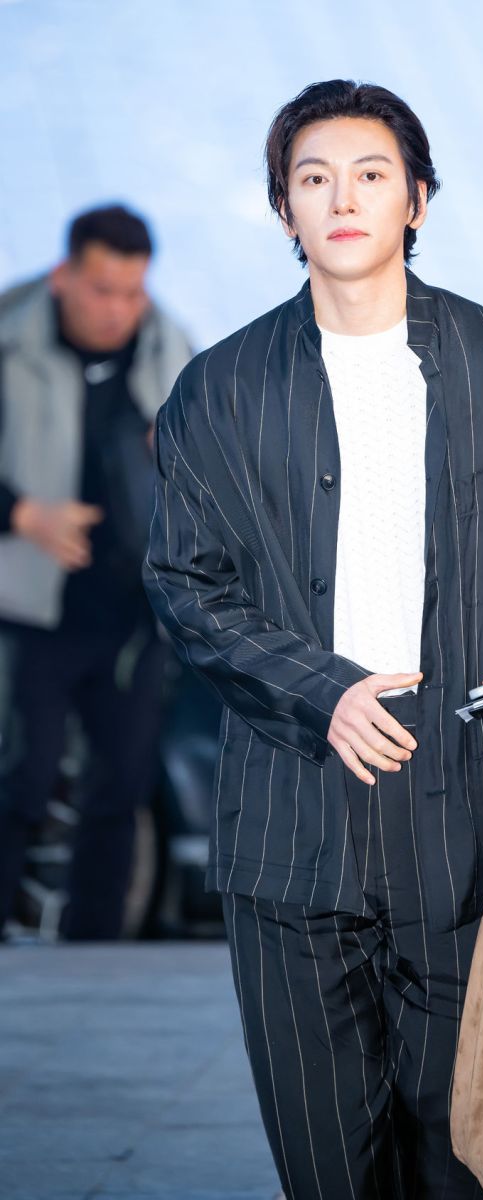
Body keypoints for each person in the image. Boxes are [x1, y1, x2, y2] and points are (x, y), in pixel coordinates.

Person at [143, 80, 483, 1199]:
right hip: (292, 826)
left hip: (476, 823)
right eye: (313, 178)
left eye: (371, 175)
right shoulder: (220, 389)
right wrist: (321, 689)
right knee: (325, 1166)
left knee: (473, 1158)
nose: (343, 199)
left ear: (417, 200)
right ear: (283, 208)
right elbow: (185, 582)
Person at [0, 204, 193, 941]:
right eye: (102, 290)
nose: (118, 310)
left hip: (131, 618)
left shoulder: (172, 352)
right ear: (63, 276)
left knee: (121, 791)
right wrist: (24, 516)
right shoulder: (9, 340)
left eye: (133, 292)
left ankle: (98, 962)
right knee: (19, 782)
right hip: (25, 610)